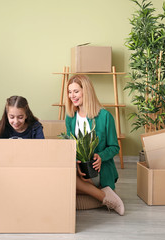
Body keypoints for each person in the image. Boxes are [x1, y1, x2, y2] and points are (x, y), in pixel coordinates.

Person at [65, 74, 125, 216]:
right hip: (79, 168)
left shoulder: (104, 116)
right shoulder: (70, 117)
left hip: (97, 169)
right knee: (62, 178)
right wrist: (76, 163)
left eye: (76, 91)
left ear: (86, 91)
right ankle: (104, 196)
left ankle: (110, 199)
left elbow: (114, 147)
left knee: (68, 182)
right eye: (69, 92)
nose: (72, 96)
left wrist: (100, 157)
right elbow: (70, 146)